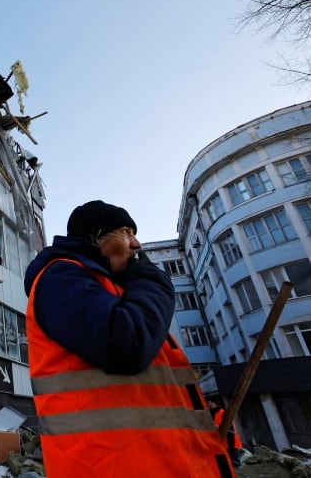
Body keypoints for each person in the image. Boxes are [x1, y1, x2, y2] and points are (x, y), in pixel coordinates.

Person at [24, 200, 235, 478]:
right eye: (126, 232)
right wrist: (152, 280)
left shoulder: (109, 291)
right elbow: (128, 343)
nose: (137, 244)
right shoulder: (61, 277)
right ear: (95, 236)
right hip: (113, 466)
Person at [208, 398, 244, 466]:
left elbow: (230, 427)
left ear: (215, 403)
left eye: (211, 402)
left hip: (228, 439)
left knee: (233, 459)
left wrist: (231, 443)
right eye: (209, 402)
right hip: (219, 440)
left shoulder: (223, 412)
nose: (210, 404)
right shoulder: (210, 413)